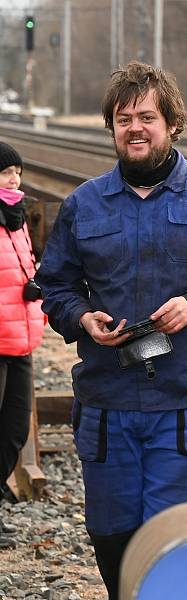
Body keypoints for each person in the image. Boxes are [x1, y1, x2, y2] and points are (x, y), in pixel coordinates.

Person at [35, 61, 187, 598]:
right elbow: (55, 286)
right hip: (107, 401)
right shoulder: (84, 203)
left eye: (146, 116)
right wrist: (81, 318)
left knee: (175, 542)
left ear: (171, 123)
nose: (134, 128)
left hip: (185, 399)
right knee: (112, 537)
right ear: (111, 128)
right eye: (122, 119)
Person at [0, 142, 47, 550]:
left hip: (20, 338)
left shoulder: (15, 217)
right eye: (5, 172)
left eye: (16, 171)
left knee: (13, 431)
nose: (13, 179)